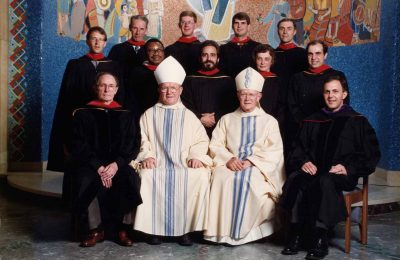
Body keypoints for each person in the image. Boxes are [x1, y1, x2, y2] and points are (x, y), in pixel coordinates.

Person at [280, 75, 380, 259]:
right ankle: (296, 233)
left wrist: (348, 168)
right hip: (314, 170)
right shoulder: (312, 120)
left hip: (339, 174)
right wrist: (303, 162)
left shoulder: (357, 121)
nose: (331, 95)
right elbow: (296, 150)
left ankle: (320, 237)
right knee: (296, 179)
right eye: (327, 91)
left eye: (335, 91)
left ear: (344, 94)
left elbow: (371, 154)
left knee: (325, 182)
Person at [131, 56, 212, 246]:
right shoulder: (149, 114)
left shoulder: (190, 116)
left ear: (180, 90)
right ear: (159, 89)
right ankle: (153, 230)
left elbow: (201, 140)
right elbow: (142, 140)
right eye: (165, 87)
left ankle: (186, 230)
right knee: (148, 176)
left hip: (183, 162)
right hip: (157, 161)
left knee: (198, 176)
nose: (169, 92)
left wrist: (195, 157)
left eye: (173, 88)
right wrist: (147, 156)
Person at [204, 67, 285, 245]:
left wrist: (251, 161)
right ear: (238, 95)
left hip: (257, 167)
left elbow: (275, 151)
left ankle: (250, 232)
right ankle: (221, 233)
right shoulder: (226, 119)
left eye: (251, 94)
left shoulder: (269, 121)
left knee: (251, 181)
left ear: (259, 97)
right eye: (243, 94)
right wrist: (228, 159)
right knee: (220, 178)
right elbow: (215, 145)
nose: (247, 98)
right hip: (230, 164)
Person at [70, 72, 142, 247]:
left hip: (117, 163)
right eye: (103, 85)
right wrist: (99, 167)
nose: (107, 89)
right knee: (85, 179)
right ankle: (95, 229)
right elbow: (77, 144)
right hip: (91, 164)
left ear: (116, 90)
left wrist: (116, 165)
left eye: (111, 86)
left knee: (130, 178)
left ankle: (123, 229)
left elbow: (132, 143)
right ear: (96, 88)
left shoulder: (126, 114)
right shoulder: (82, 113)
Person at [48, 26, 124, 175]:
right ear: (87, 41)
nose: (97, 42)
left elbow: (120, 94)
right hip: (82, 117)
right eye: (94, 38)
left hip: (107, 115)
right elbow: (67, 95)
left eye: (101, 39)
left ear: (105, 43)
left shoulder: (114, 66)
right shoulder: (75, 64)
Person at [286, 40, 347, 154]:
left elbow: (344, 106)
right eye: (310, 54)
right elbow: (292, 105)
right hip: (303, 129)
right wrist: (305, 126)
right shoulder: (297, 78)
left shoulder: (337, 76)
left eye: (318, 53)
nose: (314, 57)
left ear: (325, 55)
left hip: (329, 128)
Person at [182, 40, 237, 137]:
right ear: (200, 58)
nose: (209, 58)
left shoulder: (227, 81)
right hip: (195, 128)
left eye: (212, 55)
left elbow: (231, 105)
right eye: (205, 55)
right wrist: (200, 117)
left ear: (218, 58)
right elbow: (185, 104)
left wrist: (216, 117)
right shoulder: (190, 80)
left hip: (221, 128)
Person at [125, 38, 165, 114]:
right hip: (142, 113)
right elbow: (131, 99)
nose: (156, 53)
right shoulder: (137, 72)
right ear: (146, 53)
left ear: (164, 52)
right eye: (151, 50)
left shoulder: (170, 71)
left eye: (159, 50)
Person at [219, 12, 260, 78]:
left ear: (248, 26)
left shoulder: (258, 48)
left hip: (250, 87)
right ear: (232, 26)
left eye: (243, 23)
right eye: (236, 23)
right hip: (228, 86)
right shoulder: (223, 49)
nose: (239, 26)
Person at [252, 44, 284, 127]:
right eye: (259, 59)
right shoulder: (249, 79)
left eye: (266, 59)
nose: (262, 63)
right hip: (252, 122)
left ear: (272, 61)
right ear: (255, 60)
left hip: (271, 123)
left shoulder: (278, 81)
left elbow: (281, 107)